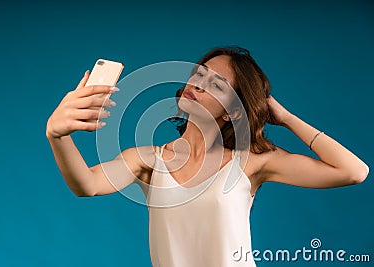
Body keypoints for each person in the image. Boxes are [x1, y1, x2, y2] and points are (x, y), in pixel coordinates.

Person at [46, 46, 369, 267]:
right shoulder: (148, 160)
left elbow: (353, 171)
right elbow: (86, 184)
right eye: (199, 73)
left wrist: (284, 117)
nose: (197, 83)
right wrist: (57, 135)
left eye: (215, 83)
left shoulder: (253, 164)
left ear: (233, 111)